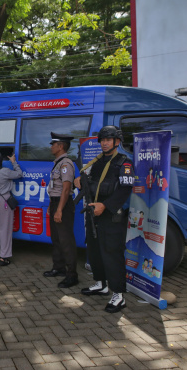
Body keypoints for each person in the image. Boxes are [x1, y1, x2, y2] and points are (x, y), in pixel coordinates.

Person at [75, 125, 134, 313]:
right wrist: (79, 183)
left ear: (117, 141)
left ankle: (118, 295)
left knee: (112, 253)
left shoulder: (124, 163)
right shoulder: (97, 162)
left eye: (108, 140)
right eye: (102, 140)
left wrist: (105, 206)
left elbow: (125, 190)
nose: (105, 143)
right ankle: (101, 284)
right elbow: (91, 185)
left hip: (111, 216)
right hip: (94, 213)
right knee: (94, 251)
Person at [43, 132, 79, 289]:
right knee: (56, 239)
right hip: (56, 203)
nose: (51, 147)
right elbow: (55, 189)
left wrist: (59, 210)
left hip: (63, 205)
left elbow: (65, 190)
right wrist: (52, 206)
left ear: (61, 146)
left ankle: (72, 276)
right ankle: (59, 268)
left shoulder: (66, 164)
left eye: (53, 144)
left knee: (66, 241)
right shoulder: (57, 163)